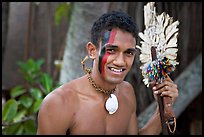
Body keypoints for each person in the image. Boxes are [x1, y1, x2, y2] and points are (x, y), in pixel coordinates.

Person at [37, 10, 179, 135]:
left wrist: (164, 107)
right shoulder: (59, 103)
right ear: (92, 51)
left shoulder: (126, 92)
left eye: (128, 53)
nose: (121, 61)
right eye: (112, 50)